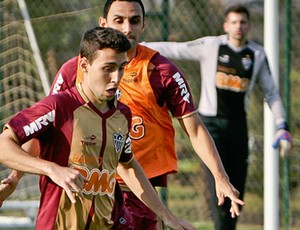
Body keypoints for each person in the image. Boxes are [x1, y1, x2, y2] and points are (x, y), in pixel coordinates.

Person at [0, 1, 245, 229]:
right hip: (74, 193)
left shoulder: (156, 77)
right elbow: (42, 130)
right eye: (119, 20)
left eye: (135, 20)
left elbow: (189, 132)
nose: (127, 29)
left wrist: (218, 178)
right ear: (103, 23)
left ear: (143, 24)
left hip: (137, 193)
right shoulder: (70, 79)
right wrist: (21, 175)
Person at [143, 3, 293, 230]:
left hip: (238, 126)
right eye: (233, 22)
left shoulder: (257, 54)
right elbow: (176, 48)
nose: (238, 26)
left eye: (242, 22)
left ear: (249, 25)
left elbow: (271, 92)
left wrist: (282, 126)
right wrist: (136, 45)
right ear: (225, 25)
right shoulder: (211, 46)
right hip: (210, 125)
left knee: (236, 189)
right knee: (219, 184)